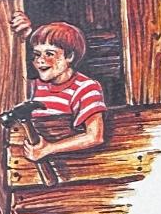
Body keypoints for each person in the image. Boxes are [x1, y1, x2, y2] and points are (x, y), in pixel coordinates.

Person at [10, 11, 107, 160]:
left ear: (69, 56)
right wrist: (23, 37)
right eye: (37, 54)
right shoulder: (31, 87)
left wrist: (49, 148)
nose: (40, 60)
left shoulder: (85, 88)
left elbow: (95, 136)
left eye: (49, 54)